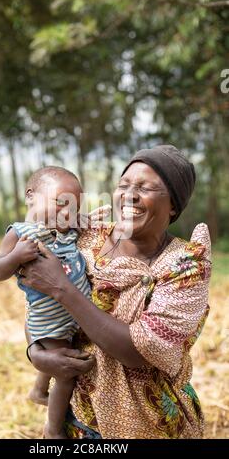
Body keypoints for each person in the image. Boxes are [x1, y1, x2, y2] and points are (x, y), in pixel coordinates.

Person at [22, 145, 212, 439]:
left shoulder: (185, 267)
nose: (129, 195)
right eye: (124, 185)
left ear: (173, 205)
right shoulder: (84, 238)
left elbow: (139, 351)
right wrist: (37, 352)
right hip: (77, 420)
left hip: (149, 425)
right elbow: (39, 305)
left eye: (146, 188)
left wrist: (63, 288)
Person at [0, 166, 109, 439]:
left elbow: (83, 225)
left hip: (71, 317)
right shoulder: (22, 234)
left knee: (58, 358)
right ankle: (54, 431)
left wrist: (89, 218)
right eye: (60, 203)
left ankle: (39, 390)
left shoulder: (67, 231)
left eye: (73, 207)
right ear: (31, 197)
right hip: (48, 320)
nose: (66, 213)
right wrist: (15, 256)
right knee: (66, 375)